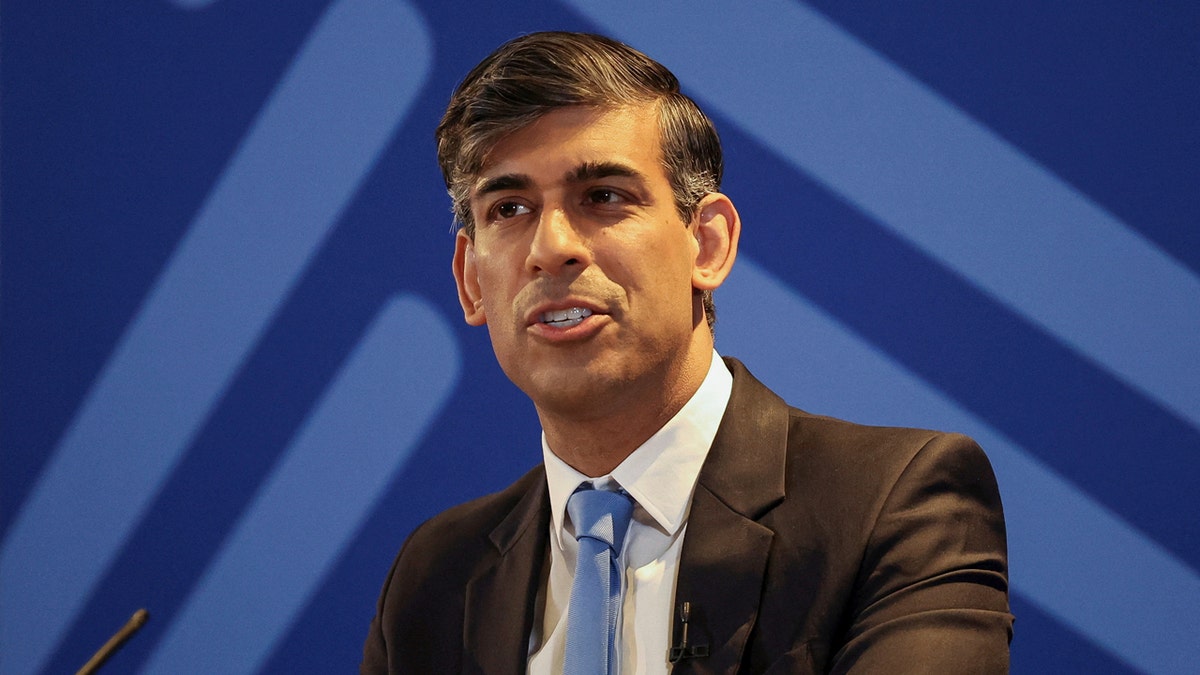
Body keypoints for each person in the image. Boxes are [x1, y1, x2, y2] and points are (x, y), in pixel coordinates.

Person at [360, 31, 1012, 674]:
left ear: (707, 245)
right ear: (472, 281)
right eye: (509, 208)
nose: (550, 246)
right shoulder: (434, 578)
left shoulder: (894, 505)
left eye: (604, 197)